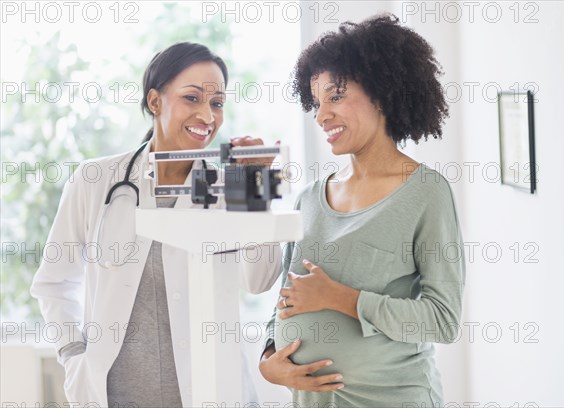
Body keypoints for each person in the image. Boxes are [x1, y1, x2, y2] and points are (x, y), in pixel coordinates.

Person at [30, 42, 282, 407]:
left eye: (217, 103)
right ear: (154, 101)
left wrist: (255, 186)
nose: (207, 116)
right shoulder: (96, 180)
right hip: (115, 396)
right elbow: (54, 281)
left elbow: (258, 281)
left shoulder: (232, 185)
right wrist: (73, 355)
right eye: (192, 98)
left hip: (211, 394)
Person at [258, 14, 466, 407]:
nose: (321, 115)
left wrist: (343, 298)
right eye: (317, 103)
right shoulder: (309, 198)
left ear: (382, 92)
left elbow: (443, 320)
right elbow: (287, 297)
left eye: (335, 97)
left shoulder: (426, 193)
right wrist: (268, 358)